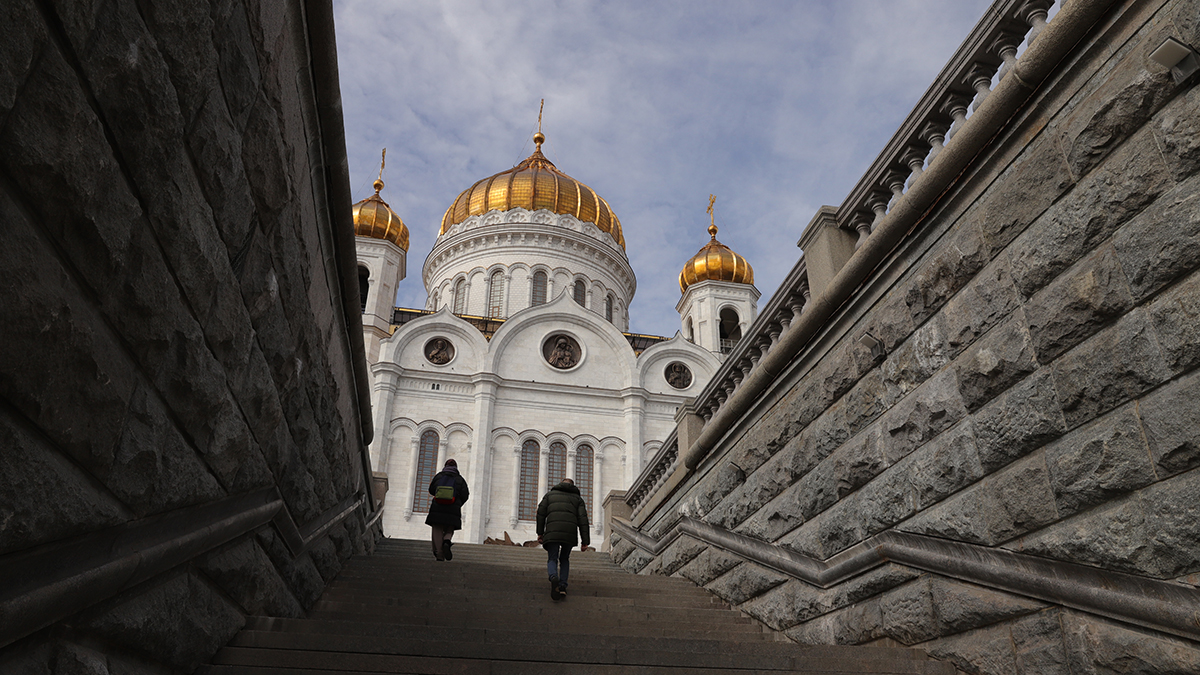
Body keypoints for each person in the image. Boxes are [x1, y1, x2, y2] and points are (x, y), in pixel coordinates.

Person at [536, 477, 590, 600]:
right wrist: (585, 542)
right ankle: (562, 586)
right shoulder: (578, 499)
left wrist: (540, 533)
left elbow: (540, 513)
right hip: (569, 533)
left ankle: (553, 576)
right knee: (564, 559)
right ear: (573, 486)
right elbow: (583, 520)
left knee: (552, 558)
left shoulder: (549, 495)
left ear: (560, 484)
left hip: (552, 532)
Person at [426, 459, 469, 561]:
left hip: (438, 507)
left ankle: (439, 554)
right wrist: (458, 503)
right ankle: (446, 541)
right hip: (453, 509)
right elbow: (465, 495)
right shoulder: (460, 479)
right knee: (450, 528)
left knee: (437, 530)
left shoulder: (439, 476)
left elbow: (431, 489)